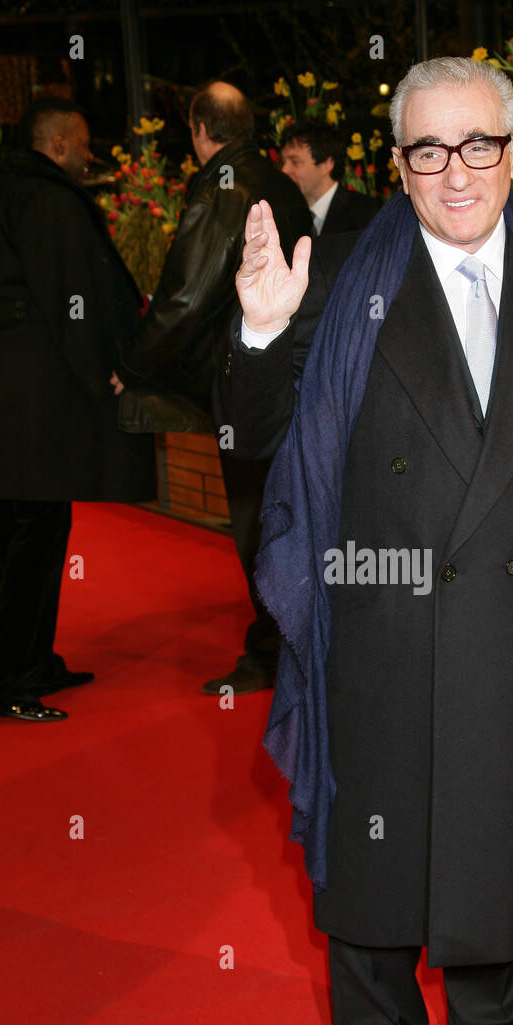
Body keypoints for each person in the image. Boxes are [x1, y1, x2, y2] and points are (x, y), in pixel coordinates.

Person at [216, 57, 513, 1025]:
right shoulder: (339, 275)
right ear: (396, 169)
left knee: (498, 836)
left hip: (511, 628)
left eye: (479, 144)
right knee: (375, 853)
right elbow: (249, 435)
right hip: (377, 621)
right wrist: (260, 332)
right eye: (429, 150)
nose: (458, 172)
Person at [0, 95, 156, 723]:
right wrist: (110, 372)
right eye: (85, 143)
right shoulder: (49, 202)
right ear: (60, 143)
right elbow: (76, 298)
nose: (90, 155)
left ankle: (33, 660)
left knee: (19, 532)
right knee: (38, 534)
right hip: (35, 407)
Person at [112, 81, 311, 696]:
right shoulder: (276, 179)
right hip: (294, 368)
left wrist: (134, 366)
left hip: (243, 381)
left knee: (256, 518)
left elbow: (187, 296)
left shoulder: (224, 186)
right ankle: (290, 645)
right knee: (285, 513)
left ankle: (277, 653)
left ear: (199, 129)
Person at [279, 122, 378, 235]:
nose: (284, 170)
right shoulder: (288, 215)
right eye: (283, 162)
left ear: (327, 163)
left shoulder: (363, 213)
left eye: (295, 162)